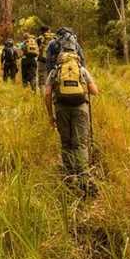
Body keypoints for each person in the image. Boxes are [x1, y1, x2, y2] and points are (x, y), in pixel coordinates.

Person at [44, 37, 99, 196]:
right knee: (80, 144)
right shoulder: (81, 70)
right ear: (76, 52)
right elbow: (95, 91)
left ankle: (70, 178)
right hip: (80, 109)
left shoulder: (55, 70)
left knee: (66, 143)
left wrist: (50, 115)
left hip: (61, 109)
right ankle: (84, 178)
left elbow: (47, 94)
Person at [36, 26, 55, 92]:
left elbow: (37, 49)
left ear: (41, 31)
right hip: (52, 61)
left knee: (42, 78)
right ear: (48, 30)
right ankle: (51, 93)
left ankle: (43, 95)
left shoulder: (39, 38)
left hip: (42, 60)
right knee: (51, 77)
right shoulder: (54, 38)